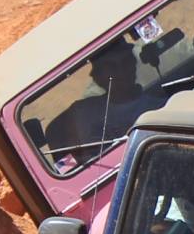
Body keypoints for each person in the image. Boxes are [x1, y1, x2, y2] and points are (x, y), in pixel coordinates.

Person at [43, 37, 151, 168]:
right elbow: (67, 167)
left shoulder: (159, 108)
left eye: (126, 62)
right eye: (111, 67)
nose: (121, 72)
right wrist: (72, 167)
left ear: (134, 65)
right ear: (97, 76)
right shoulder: (80, 114)